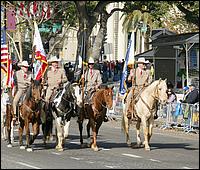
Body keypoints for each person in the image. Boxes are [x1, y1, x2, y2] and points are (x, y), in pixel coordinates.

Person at [82, 57, 108, 122]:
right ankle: (82, 113)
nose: (91, 65)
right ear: (88, 64)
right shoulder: (85, 72)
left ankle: (104, 114)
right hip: (87, 88)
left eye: (92, 64)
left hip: (95, 88)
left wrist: (97, 85)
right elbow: (83, 81)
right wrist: (82, 78)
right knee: (82, 99)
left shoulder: (97, 72)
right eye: (90, 64)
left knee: (103, 98)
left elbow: (100, 81)